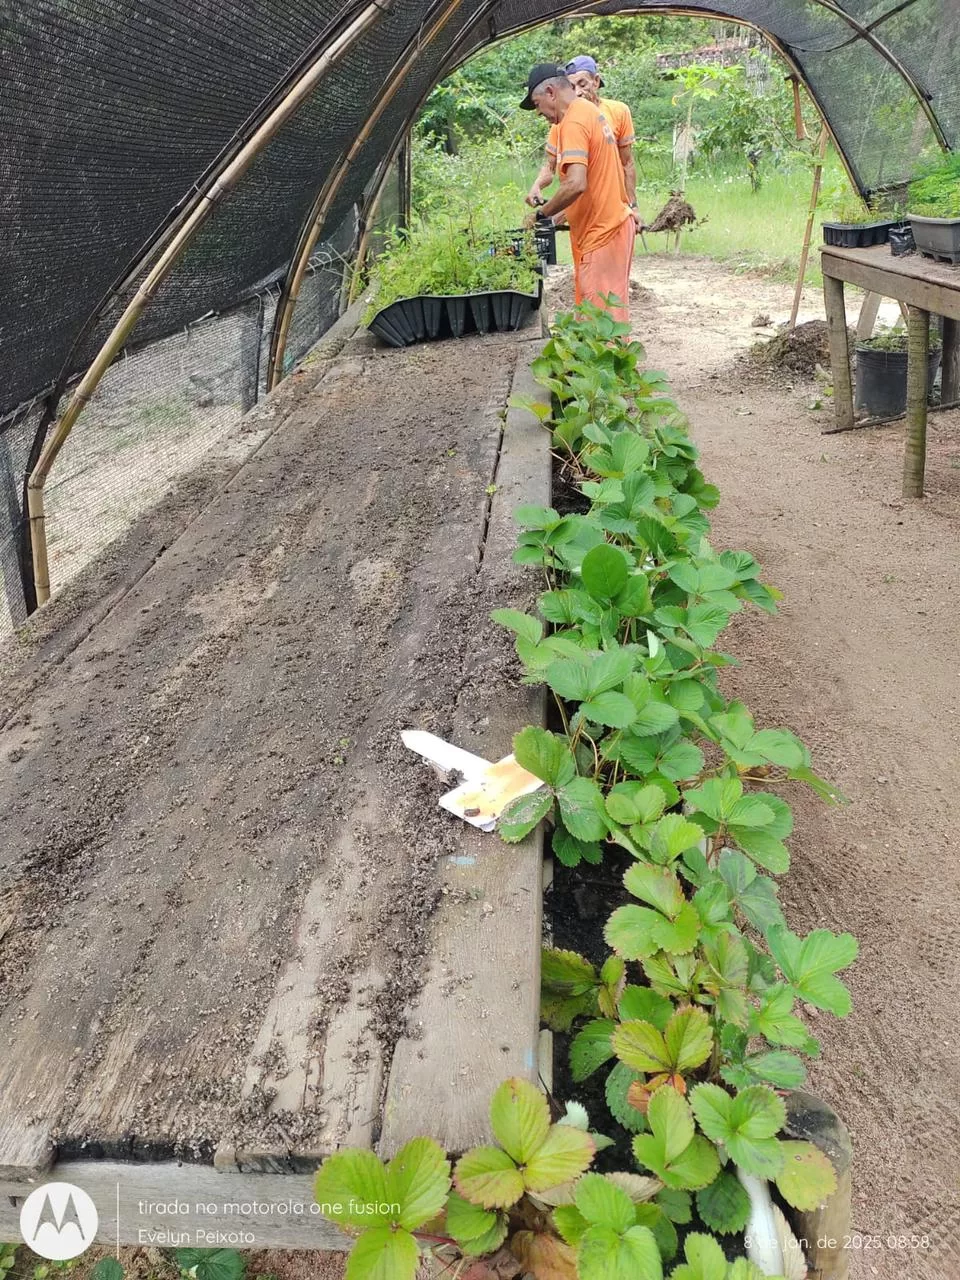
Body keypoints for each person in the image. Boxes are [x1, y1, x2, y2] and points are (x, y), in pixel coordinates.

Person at [520, 64, 634, 323]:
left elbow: (575, 184)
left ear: (551, 92)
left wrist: (542, 214)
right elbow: (592, 182)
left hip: (603, 232)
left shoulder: (573, 120)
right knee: (602, 317)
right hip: (611, 226)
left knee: (602, 324)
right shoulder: (588, 111)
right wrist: (560, 212)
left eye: (537, 105)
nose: (539, 113)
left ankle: (610, 363)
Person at [525, 55, 642, 232]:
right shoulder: (561, 121)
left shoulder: (613, 113)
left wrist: (633, 206)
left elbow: (624, 164)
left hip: (605, 219)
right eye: (572, 86)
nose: (578, 92)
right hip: (587, 215)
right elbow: (551, 166)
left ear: (596, 81)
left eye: (582, 84)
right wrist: (537, 185)